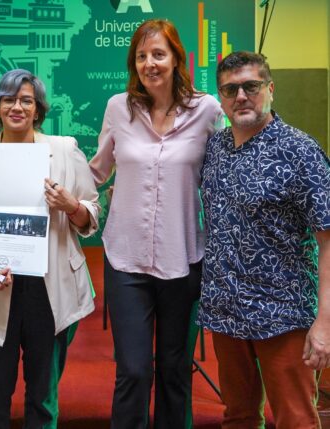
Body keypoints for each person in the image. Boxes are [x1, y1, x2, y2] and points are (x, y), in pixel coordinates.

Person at [89, 19, 224, 428]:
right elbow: (96, 171)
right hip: (126, 259)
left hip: (183, 258)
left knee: (174, 368)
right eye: (141, 56)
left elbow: (223, 177)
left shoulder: (207, 110)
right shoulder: (118, 108)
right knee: (132, 370)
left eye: (159, 54)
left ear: (176, 59)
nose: (150, 63)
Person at [0, 69, 100, 428]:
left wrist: (71, 206)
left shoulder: (64, 151)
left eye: (26, 100)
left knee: (43, 399)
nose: (17, 107)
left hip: (50, 291)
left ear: (37, 110)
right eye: (9, 99)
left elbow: (92, 213)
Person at [198, 51, 330, 429]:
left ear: (270, 89)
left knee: (296, 420)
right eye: (230, 89)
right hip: (226, 313)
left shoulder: (300, 152)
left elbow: (328, 239)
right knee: (237, 417)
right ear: (221, 98)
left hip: (283, 315)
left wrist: (325, 321)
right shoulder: (215, 149)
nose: (241, 96)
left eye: (251, 86)